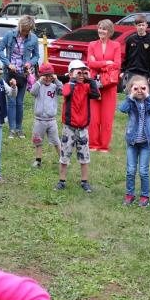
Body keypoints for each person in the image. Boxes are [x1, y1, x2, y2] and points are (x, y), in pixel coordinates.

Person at [56, 60, 100, 193]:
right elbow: (66, 93)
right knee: (65, 155)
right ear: (70, 74)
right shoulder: (68, 85)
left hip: (83, 128)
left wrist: (90, 80)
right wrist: (73, 80)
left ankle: (84, 181)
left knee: (84, 156)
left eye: (83, 72)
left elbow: (96, 94)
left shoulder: (87, 87)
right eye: (78, 72)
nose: (81, 75)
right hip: (69, 127)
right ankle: (62, 180)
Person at [118, 76, 150, 207]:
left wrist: (147, 96)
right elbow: (122, 108)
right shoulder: (130, 102)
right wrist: (131, 96)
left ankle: (144, 196)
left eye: (143, 88)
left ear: (148, 89)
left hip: (145, 143)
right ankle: (129, 194)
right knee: (130, 170)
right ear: (131, 90)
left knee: (143, 171)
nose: (140, 91)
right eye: (136, 88)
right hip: (132, 142)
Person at [0, 15, 39, 139]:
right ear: (20, 26)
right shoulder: (9, 35)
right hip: (10, 73)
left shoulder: (34, 38)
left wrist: (30, 62)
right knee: (11, 101)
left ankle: (19, 129)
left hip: (23, 74)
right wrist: (8, 64)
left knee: (20, 102)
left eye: (28, 30)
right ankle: (12, 129)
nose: (25, 32)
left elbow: (36, 56)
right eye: (24, 30)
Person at [87, 19, 122, 152]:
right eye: (100, 28)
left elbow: (117, 64)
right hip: (94, 85)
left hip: (109, 85)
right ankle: (93, 144)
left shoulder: (116, 45)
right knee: (94, 118)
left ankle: (104, 146)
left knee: (107, 118)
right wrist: (106, 62)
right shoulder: (91, 45)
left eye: (104, 28)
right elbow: (90, 64)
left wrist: (98, 63)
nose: (101, 30)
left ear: (110, 31)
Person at [30, 63, 62, 169]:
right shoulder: (38, 86)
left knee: (56, 141)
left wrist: (56, 80)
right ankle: (38, 160)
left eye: (50, 76)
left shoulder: (54, 87)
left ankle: (63, 159)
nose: (48, 79)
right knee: (38, 141)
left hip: (51, 120)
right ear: (41, 76)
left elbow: (62, 90)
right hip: (39, 120)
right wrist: (39, 81)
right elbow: (32, 92)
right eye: (45, 76)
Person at [121, 14, 150, 85]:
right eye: (139, 25)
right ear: (136, 26)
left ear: (146, 26)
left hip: (144, 73)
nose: (141, 27)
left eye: (143, 25)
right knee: (131, 94)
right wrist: (123, 71)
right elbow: (126, 57)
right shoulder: (130, 40)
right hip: (131, 72)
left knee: (142, 94)